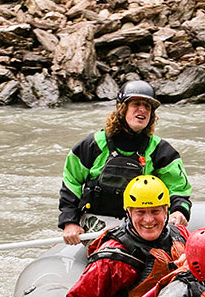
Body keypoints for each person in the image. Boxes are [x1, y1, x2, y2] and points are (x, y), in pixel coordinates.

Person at [41, 175, 188, 297]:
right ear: (128, 212)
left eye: (155, 211)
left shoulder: (179, 236)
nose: (148, 219)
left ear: (166, 211)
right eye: (141, 212)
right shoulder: (113, 257)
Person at [58, 80, 192, 245]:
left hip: (143, 221)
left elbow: (178, 187)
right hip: (98, 220)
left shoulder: (161, 150)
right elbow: (71, 182)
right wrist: (69, 222)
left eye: (147, 106)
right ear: (122, 108)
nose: (142, 109)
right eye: (136, 104)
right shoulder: (93, 144)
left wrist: (179, 211)